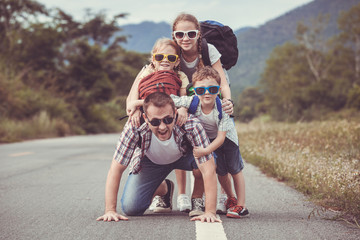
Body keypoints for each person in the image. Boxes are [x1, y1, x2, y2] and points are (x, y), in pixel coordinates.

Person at [96, 92, 220, 222]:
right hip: (152, 162)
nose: (162, 127)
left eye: (168, 119)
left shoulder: (191, 124)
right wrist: (110, 210)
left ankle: (197, 197)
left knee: (210, 160)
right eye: (155, 121)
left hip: (185, 157)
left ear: (175, 113)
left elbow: (209, 168)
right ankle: (164, 188)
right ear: (145, 117)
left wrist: (210, 212)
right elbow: (116, 169)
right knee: (131, 207)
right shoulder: (134, 127)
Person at [171, 12, 235, 213]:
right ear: (174, 36)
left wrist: (227, 102)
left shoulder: (209, 50)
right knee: (181, 144)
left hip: (210, 100)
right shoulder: (174, 52)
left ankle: (225, 197)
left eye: (190, 33)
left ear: (198, 34)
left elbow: (223, 81)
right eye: (180, 34)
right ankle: (182, 195)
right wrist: (179, 107)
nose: (185, 39)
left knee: (221, 148)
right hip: (186, 102)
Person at [171, 66, 249, 218]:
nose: (207, 93)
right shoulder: (191, 101)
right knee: (220, 170)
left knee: (235, 169)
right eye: (201, 90)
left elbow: (221, 138)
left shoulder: (222, 108)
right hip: (210, 140)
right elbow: (170, 100)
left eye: (212, 89)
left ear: (219, 89)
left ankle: (241, 205)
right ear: (194, 90)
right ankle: (230, 198)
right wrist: (181, 108)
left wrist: (206, 151)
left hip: (227, 139)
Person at [126, 38, 192, 213]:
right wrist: (139, 108)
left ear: (177, 61)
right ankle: (164, 188)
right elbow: (130, 104)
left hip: (173, 128)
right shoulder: (146, 73)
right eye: (160, 56)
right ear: (153, 58)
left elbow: (182, 98)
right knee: (131, 207)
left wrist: (183, 108)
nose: (165, 60)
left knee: (204, 157)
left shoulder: (180, 77)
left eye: (171, 58)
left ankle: (194, 198)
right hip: (152, 135)